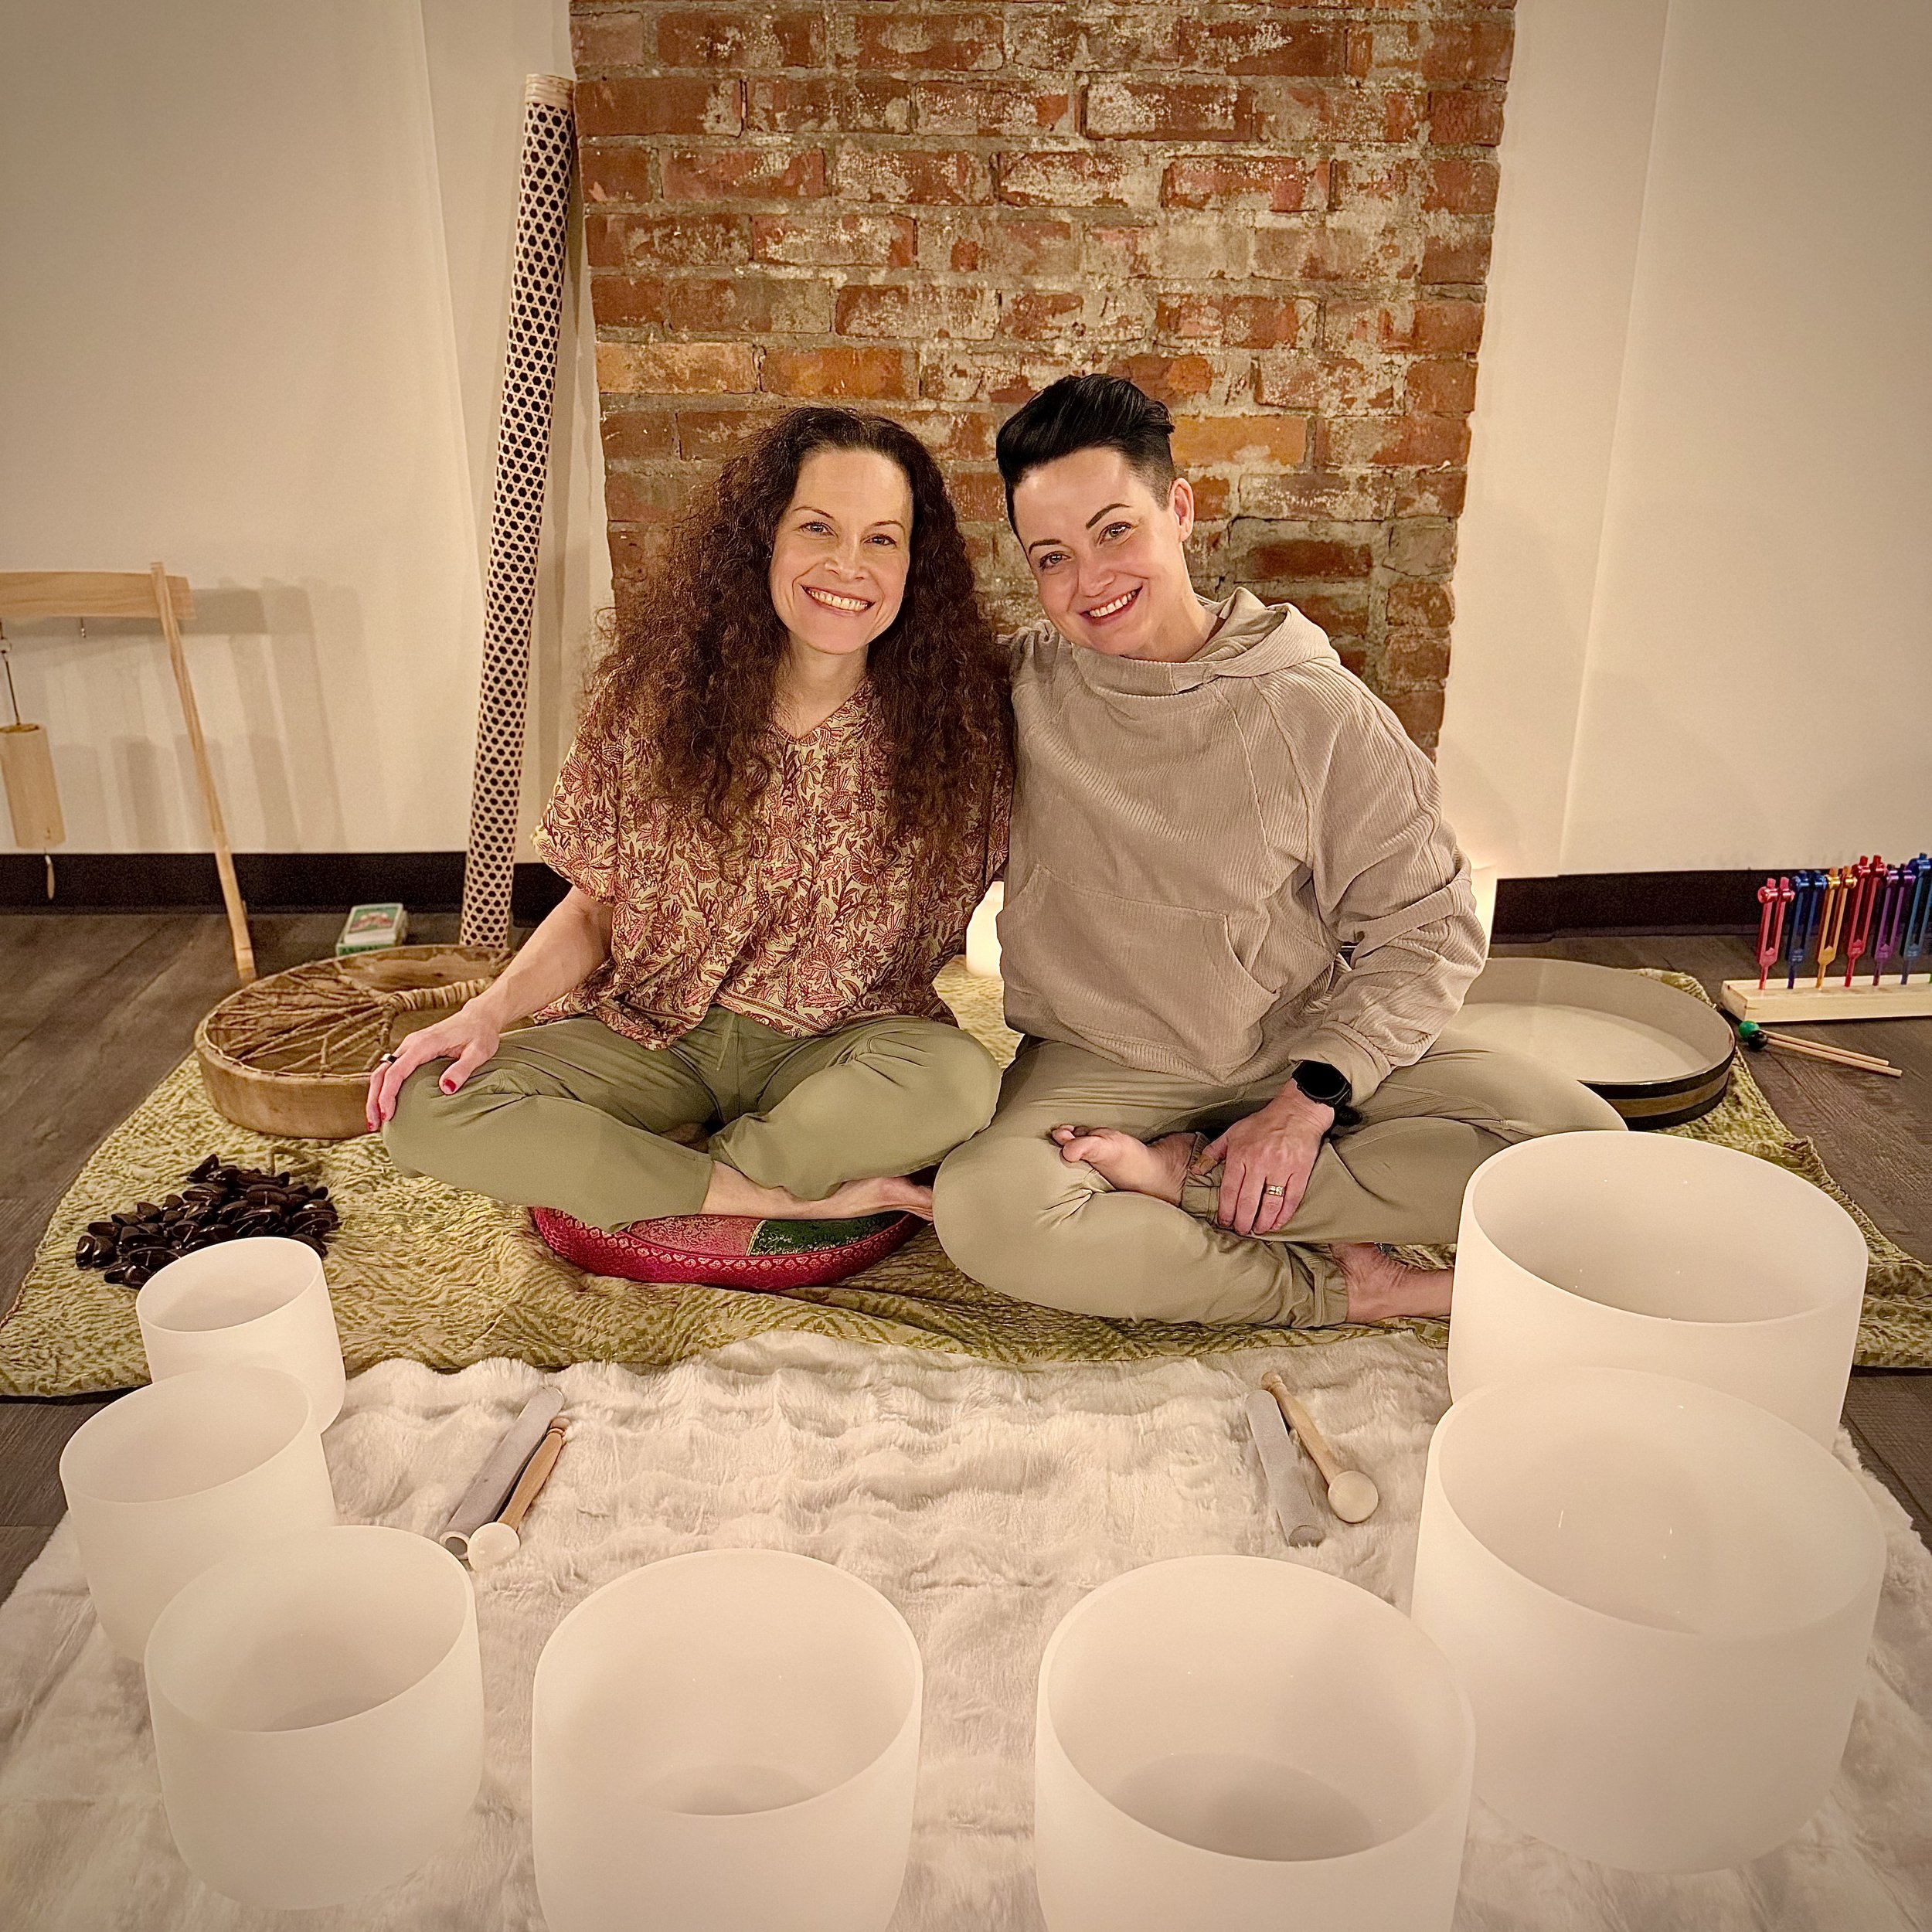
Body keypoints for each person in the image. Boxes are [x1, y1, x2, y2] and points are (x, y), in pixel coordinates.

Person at [932, 374, 1622, 1327]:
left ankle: (1178, 1189)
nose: (1089, 580)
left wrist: (1305, 1107)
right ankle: (1345, 1289)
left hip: (1290, 1041)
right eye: (1051, 556)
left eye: (1114, 530)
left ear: (1178, 509)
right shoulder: (1013, 691)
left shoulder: (1313, 706)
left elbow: (1428, 928)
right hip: (1098, 1062)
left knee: (1588, 1149)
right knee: (984, 1211)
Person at [370, 406, 1011, 1231]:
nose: (847, 564)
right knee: (424, 1103)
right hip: (650, 1033)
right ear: (764, 540)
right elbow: (595, 906)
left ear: (913, 566)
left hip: (837, 1048)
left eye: (881, 539)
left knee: (957, 1081)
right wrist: (487, 1012)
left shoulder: (966, 732)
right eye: (817, 526)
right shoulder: (654, 703)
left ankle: (652, 1177)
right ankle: (751, 1190)